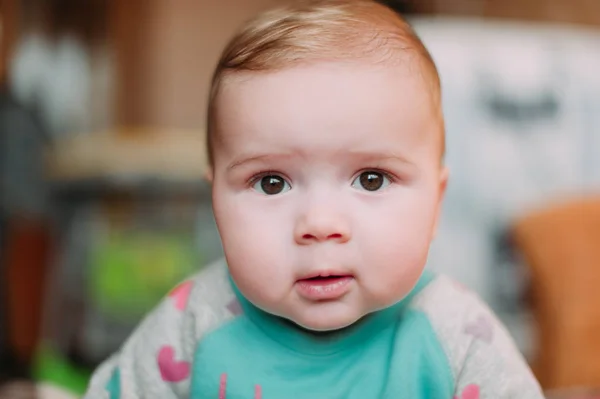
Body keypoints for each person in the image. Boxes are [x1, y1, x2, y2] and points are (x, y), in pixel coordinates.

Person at [84, 1, 544, 397]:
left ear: (435, 204)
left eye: (371, 179)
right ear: (216, 204)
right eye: (271, 183)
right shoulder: (192, 324)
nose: (320, 223)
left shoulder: (458, 337)